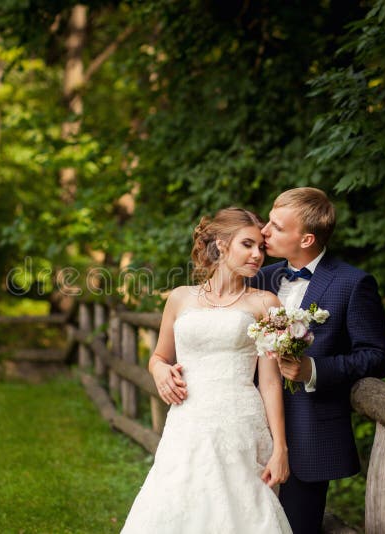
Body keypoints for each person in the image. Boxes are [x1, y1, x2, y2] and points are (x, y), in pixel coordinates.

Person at [120, 207, 293, 534]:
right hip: (187, 422)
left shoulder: (267, 304)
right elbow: (159, 356)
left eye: (261, 247)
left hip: (240, 423)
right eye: (247, 244)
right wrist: (159, 371)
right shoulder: (180, 298)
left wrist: (281, 448)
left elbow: (271, 383)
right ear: (221, 244)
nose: (257, 255)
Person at [249, 187, 385, 534]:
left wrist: (314, 369)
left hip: (309, 436)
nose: (264, 231)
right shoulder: (260, 278)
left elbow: (378, 356)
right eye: (268, 221)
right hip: (250, 429)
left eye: (277, 227)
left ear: (307, 238)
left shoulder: (352, 283)